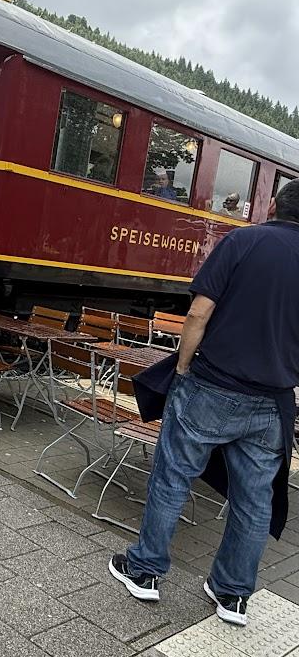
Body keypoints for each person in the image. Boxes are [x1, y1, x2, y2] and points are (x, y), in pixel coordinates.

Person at [110, 179, 299, 626]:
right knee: (255, 503)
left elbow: (198, 312)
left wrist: (181, 370)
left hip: (211, 387)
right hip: (272, 404)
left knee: (173, 478)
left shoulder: (244, 240)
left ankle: (145, 571)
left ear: (273, 205)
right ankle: (232, 596)